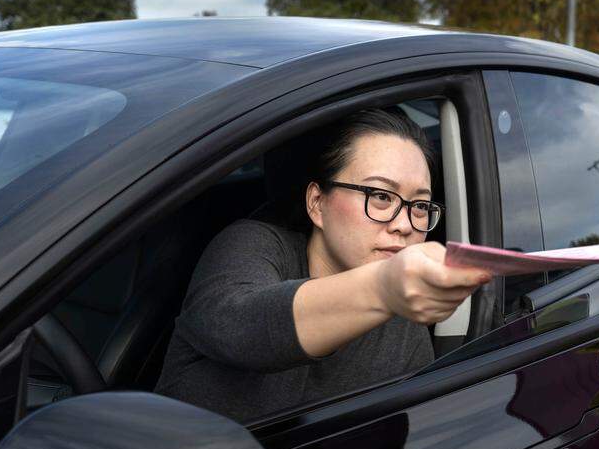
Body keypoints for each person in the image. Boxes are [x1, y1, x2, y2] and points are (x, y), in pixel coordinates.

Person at [154, 108, 491, 421]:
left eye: (419, 205)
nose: (404, 224)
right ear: (317, 203)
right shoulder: (254, 244)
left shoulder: (403, 320)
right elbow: (241, 325)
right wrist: (384, 287)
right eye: (381, 196)